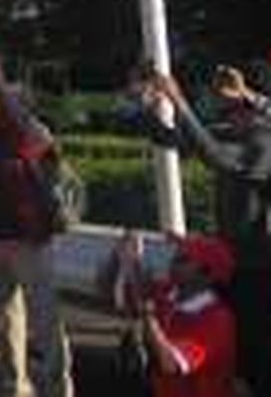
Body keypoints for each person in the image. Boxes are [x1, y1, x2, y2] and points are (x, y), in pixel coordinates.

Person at [0, 20, 74, 397]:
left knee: (45, 322)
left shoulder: (29, 132)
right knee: (5, 322)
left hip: (30, 240)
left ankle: (59, 389)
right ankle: (15, 386)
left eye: (3, 101)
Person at [140, 66, 271, 394]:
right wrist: (149, 105)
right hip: (226, 264)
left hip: (256, 268)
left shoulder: (263, 145)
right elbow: (169, 137)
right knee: (228, 350)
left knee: (254, 349)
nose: (228, 118)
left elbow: (216, 157)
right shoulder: (239, 135)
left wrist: (179, 99)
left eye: (236, 111)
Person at [109, 231, 238, 397]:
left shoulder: (216, 320)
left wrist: (148, 314)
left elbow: (171, 363)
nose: (173, 262)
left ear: (206, 275)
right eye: (176, 255)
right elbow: (137, 290)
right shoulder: (170, 291)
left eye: (183, 259)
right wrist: (130, 260)